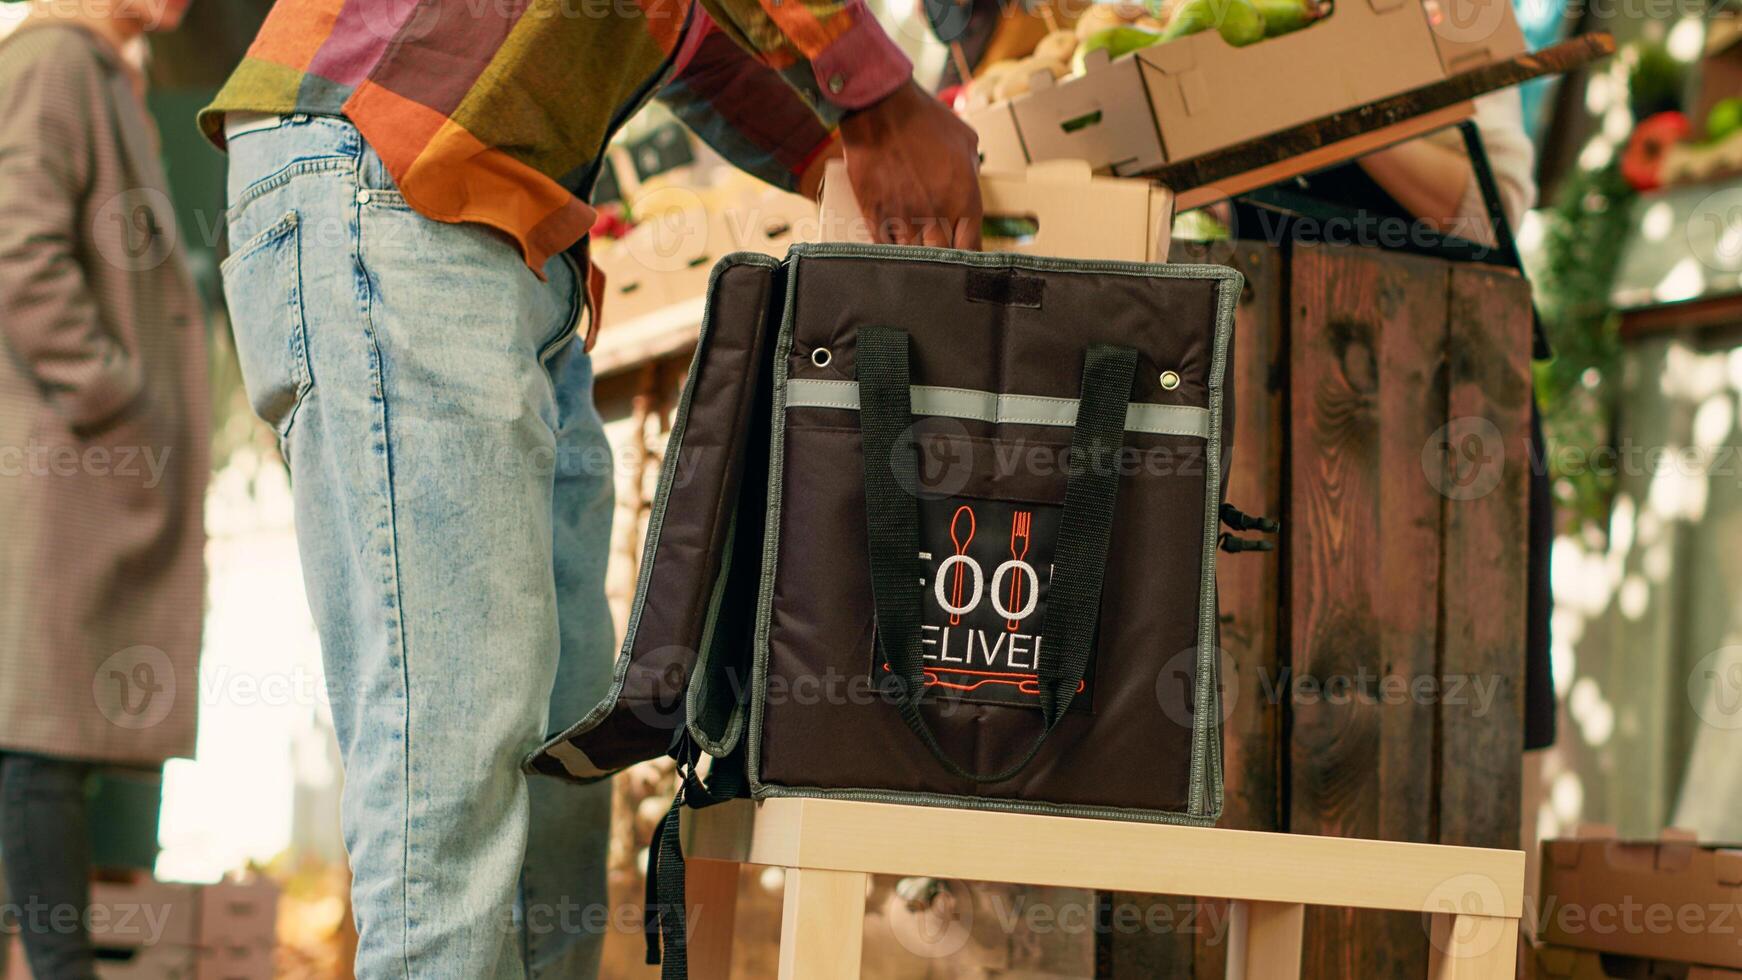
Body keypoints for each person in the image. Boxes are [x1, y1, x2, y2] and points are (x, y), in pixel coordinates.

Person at [199, 2, 984, 976]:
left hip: (507, 233)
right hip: (386, 171)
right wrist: (879, 100)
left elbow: (695, 42)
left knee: (555, 764)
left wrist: (839, 151)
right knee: (459, 763)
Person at [0, 1, 205, 977]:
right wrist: (109, 389)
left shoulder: (99, 68)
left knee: (53, 740)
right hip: (63, 464)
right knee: (38, 741)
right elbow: (17, 244)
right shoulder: (51, 61)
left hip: (82, 465)